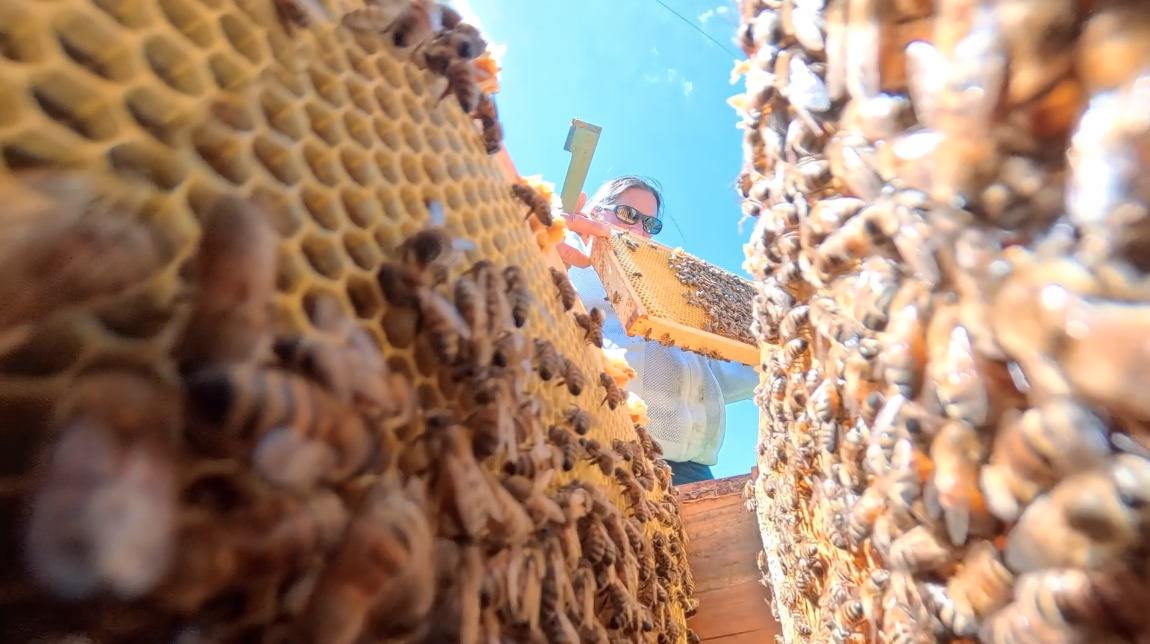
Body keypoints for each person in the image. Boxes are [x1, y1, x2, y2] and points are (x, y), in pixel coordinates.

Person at [556, 176, 759, 485]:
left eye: (650, 224)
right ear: (595, 212)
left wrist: (775, 346)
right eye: (628, 214)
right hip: (600, 454)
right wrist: (542, 250)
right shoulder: (572, 273)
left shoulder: (676, 298)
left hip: (691, 472)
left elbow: (716, 377)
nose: (638, 230)